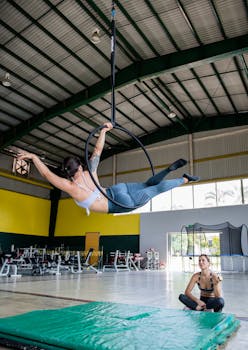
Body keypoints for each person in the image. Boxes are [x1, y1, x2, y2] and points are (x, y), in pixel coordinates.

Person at [18, 122, 199, 214]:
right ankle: (168, 171)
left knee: (155, 189)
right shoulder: (90, 172)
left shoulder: (71, 188)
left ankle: (183, 179)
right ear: (80, 166)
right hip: (117, 190)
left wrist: (34, 158)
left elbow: (46, 173)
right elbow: (97, 150)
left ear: (68, 172)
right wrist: (104, 130)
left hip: (118, 203)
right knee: (148, 184)